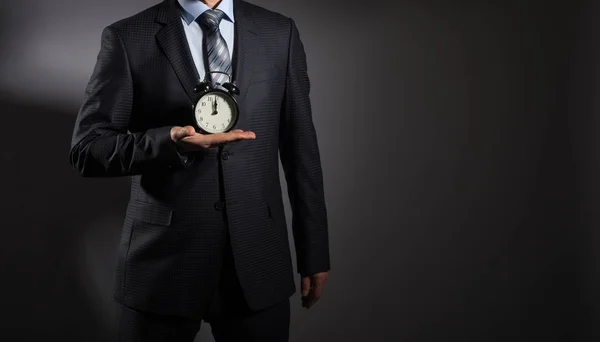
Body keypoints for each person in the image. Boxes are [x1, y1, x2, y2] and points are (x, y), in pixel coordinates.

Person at [68, 0, 330, 340]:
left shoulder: (279, 32)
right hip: (162, 266)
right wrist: (169, 143)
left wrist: (314, 252)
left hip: (257, 260)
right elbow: (88, 150)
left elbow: (301, 148)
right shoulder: (128, 36)